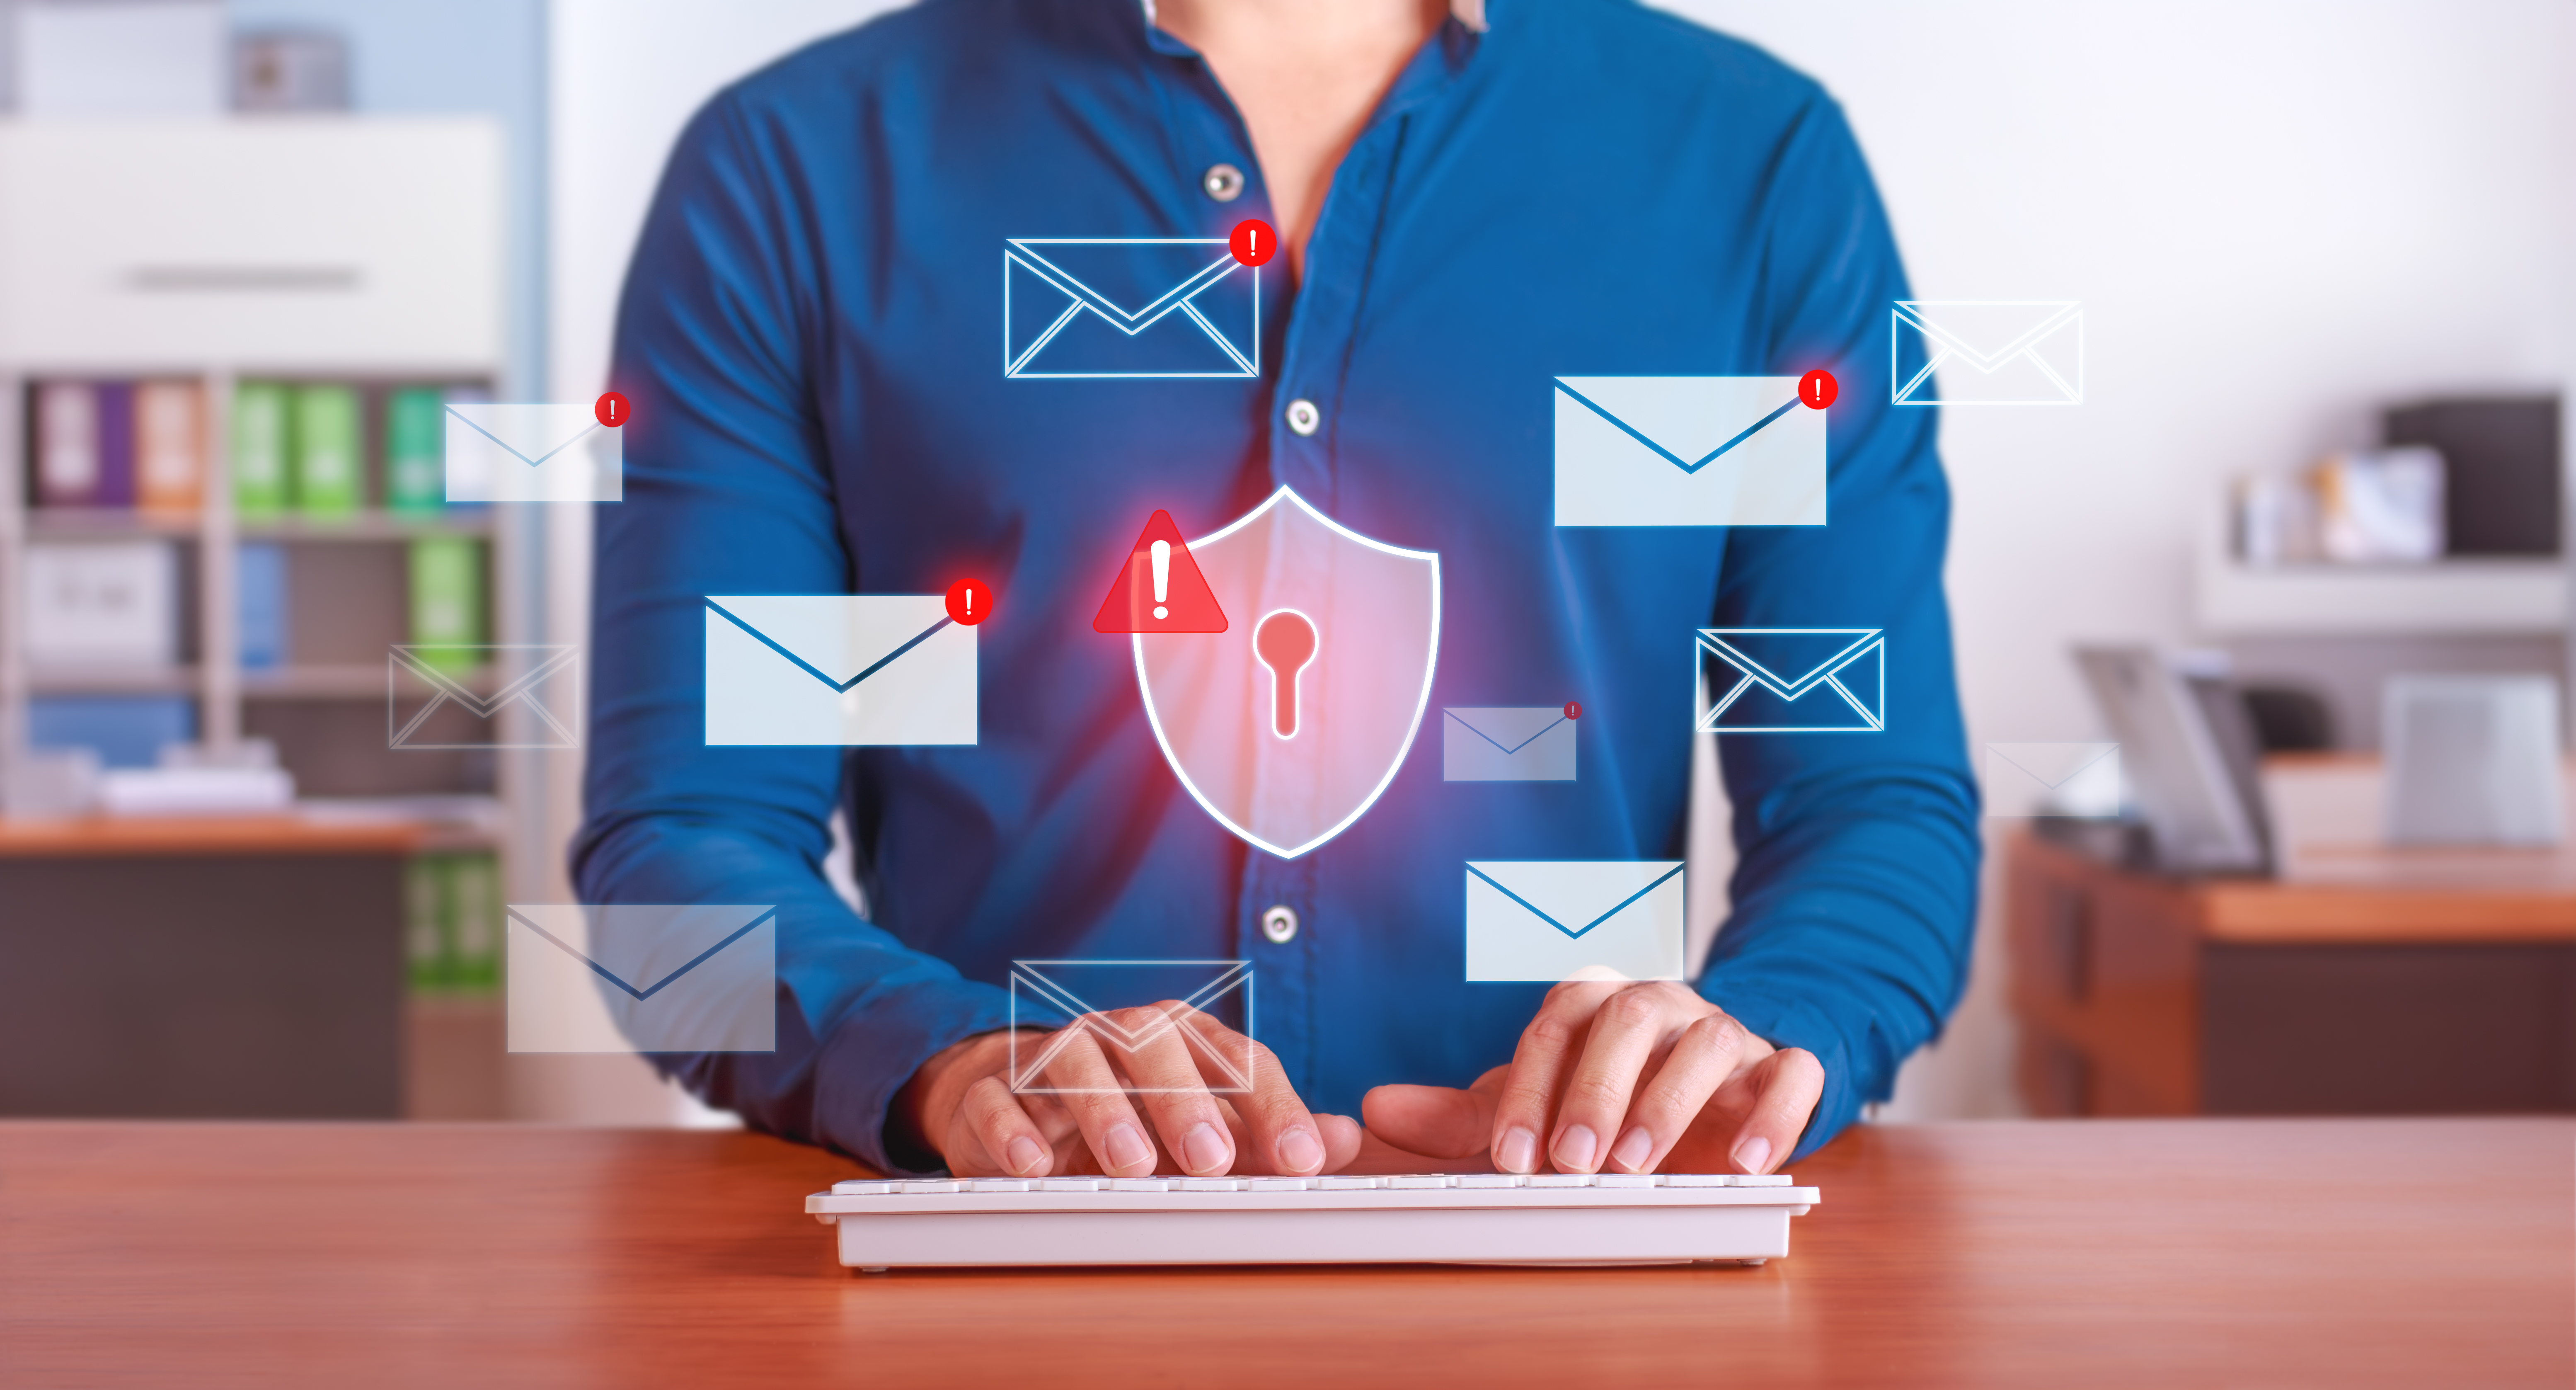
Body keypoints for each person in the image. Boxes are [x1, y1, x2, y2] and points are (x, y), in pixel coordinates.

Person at [578, 0, 1979, 1182]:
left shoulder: (1755, 167)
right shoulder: (790, 175)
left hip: (1565, 1269)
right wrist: (945, 1057)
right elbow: (679, 864)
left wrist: (1748, 1046)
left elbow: (1875, 809)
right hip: (1014, 1277)